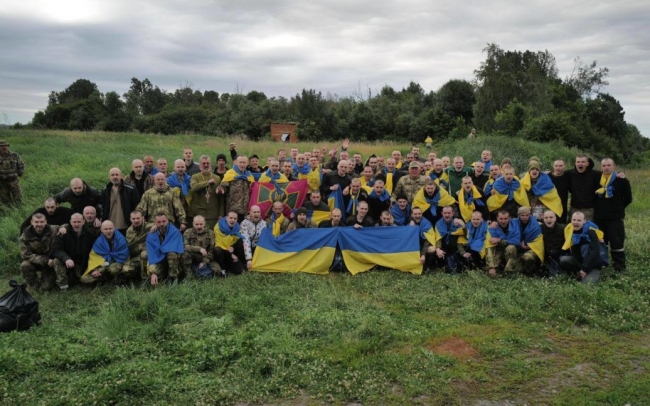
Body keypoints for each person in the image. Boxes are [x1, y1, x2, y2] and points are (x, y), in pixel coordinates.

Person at [593, 158, 632, 273]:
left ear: (614, 166)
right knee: (601, 242)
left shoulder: (622, 180)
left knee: (617, 242)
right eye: (604, 165)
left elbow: (628, 198)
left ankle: (619, 268)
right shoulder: (596, 180)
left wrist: (618, 208)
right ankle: (602, 265)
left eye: (609, 165)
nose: (606, 167)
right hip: (599, 217)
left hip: (615, 218)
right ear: (601, 167)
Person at [52, 213, 98, 288]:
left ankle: (75, 278)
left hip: (82, 263)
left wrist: (93, 269)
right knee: (56, 260)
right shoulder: (63, 233)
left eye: (79, 222)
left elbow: (94, 253)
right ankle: (63, 285)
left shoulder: (90, 234)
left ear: (83, 222)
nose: (76, 224)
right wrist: (66, 259)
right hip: (67, 261)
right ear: (70, 222)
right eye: (74, 222)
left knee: (87, 281)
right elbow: (56, 249)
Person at [559, 212, 606, 283]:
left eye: (579, 220)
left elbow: (595, 253)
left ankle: (587, 274)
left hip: (592, 264)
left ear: (584, 221)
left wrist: (584, 269)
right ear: (571, 220)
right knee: (564, 260)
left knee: (587, 283)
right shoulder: (568, 230)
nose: (575, 222)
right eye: (574, 220)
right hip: (578, 262)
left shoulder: (591, 231)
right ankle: (575, 274)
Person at [80, 221, 130, 285]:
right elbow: (94, 258)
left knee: (113, 269)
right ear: (101, 230)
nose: (108, 231)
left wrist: (110, 262)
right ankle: (105, 279)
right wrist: (94, 270)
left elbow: (124, 255)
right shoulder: (98, 242)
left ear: (114, 228)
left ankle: (116, 279)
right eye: (105, 229)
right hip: (103, 265)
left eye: (110, 228)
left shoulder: (121, 239)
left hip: (117, 263)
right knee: (84, 279)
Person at [19, 213, 59, 291]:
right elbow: (25, 254)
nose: (39, 224)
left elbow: (69, 226)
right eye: (36, 222)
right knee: (25, 265)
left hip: (50, 264)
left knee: (46, 288)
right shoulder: (25, 236)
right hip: (36, 262)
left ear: (46, 222)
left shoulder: (54, 229)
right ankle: (34, 285)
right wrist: (45, 260)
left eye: (41, 222)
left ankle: (46, 281)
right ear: (32, 222)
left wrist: (64, 227)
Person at [146, 212, 185, 286]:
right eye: (159, 222)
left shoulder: (175, 232)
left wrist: (162, 249)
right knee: (144, 255)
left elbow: (176, 249)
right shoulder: (151, 234)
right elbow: (151, 254)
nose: (161, 224)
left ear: (168, 220)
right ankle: (148, 279)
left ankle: (173, 279)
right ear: (155, 223)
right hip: (158, 260)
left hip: (173, 260)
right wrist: (153, 272)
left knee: (171, 254)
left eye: (164, 221)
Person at [101, 168, 140, 234]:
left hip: (126, 226)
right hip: (110, 228)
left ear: (121, 176)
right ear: (109, 177)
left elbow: (137, 206)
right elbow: (103, 207)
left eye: (117, 175)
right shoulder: (105, 190)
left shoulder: (131, 189)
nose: (115, 177)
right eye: (112, 175)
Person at [188, 155, 222, 230]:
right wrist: (207, 183)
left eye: (208, 163)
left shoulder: (217, 178)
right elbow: (194, 187)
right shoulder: (195, 177)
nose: (206, 165)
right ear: (200, 166)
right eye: (203, 163)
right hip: (198, 214)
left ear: (211, 165)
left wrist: (221, 214)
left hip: (213, 214)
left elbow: (221, 199)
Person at [213, 211, 252, 275]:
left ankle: (241, 263)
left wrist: (233, 247)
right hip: (222, 251)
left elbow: (237, 241)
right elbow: (219, 243)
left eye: (235, 218)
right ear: (226, 218)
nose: (233, 220)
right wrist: (231, 254)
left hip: (232, 250)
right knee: (217, 251)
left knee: (241, 242)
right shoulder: (218, 227)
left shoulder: (238, 227)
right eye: (231, 218)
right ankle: (223, 268)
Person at [219, 155, 254, 223]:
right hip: (233, 210)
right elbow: (224, 185)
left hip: (245, 210)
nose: (242, 164)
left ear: (247, 164)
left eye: (244, 162)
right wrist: (221, 189)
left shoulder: (249, 176)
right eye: (240, 162)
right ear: (236, 163)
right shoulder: (230, 173)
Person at [485, 210, 520, 277]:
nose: (503, 221)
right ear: (497, 218)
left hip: (512, 251)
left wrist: (499, 240)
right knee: (493, 272)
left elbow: (517, 241)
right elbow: (490, 246)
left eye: (505, 219)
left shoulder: (515, 225)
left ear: (509, 218)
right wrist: (491, 266)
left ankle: (508, 272)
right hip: (498, 250)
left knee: (511, 247)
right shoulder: (492, 227)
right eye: (501, 219)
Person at [433, 206, 467, 273]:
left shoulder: (458, 222)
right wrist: (438, 249)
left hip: (455, 247)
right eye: (445, 213)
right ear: (442, 213)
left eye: (449, 213)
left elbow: (466, 235)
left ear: (452, 213)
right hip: (444, 247)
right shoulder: (438, 224)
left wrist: (463, 226)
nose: (447, 215)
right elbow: (438, 238)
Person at [515, 206, 544, 275]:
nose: (524, 217)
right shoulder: (514, 223)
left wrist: (526, 247)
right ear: (518, 215)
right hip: (518, 246)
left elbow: (539, 242)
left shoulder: (536, 226)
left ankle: (530, 273)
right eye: (522, 215)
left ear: (530, 215)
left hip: (531, 248)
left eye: (526, 215)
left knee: (527, 257)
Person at [122, 210, 150, 280]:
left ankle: (146, 279)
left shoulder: (150, 227)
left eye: (138, 218)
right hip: (136, 257)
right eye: (133, 219)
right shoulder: (129, 231)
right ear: (130, 219)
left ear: (143, 218)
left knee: (144, 254)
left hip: (149, 256)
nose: (136, 221)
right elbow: (129, 246)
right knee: (126, 269)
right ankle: (136, 278)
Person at [541, 209, 566, 277]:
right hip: (545, 256)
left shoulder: (563, 229)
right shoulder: (540, 228)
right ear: (543, 219)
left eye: (551, 217)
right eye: (546, 218)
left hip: (559, 256)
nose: (548, 219)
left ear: (555, 218)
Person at [0, 139, 25, 206]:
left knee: (18, 198)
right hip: (2, 182)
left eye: (5, 146)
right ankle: (8, 211)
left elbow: (21, 165)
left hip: (14, 181)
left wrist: (18, 173)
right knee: (5, 200)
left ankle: (20, 210)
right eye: (2, 146)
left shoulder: (14, 155)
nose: (4, 147)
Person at [548, 159, 570, 223]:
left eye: (560, 166)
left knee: (561, 226)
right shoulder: (547, 177)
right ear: (553, 166)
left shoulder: (568, 176)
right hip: (550, 206)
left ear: (564, 166)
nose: (558, 168)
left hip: (562, 207)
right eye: (556, 166)